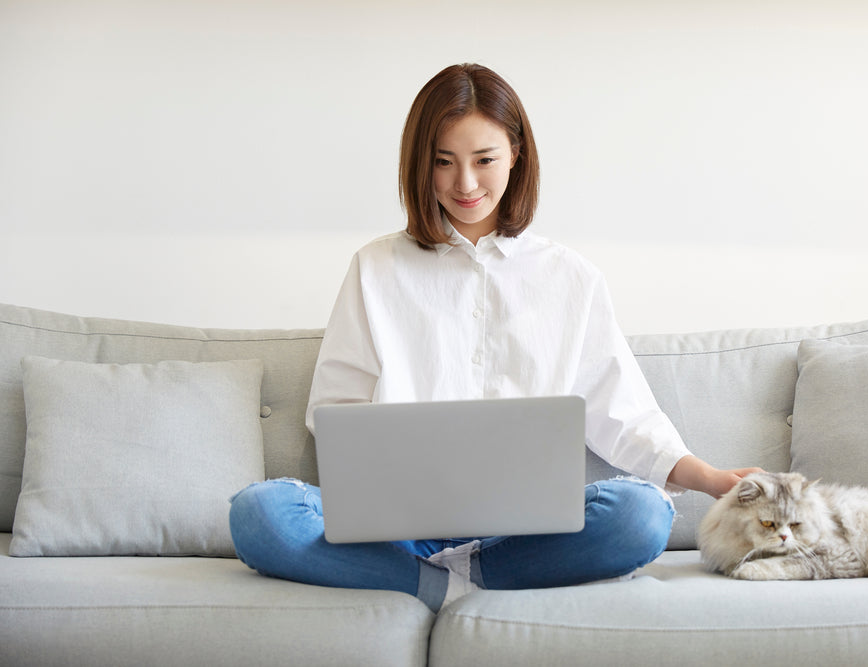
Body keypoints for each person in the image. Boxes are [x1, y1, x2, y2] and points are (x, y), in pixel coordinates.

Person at [229, 63, 761, 612]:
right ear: (420, 164)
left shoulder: (570, 278)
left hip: (524, 536)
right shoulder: (375, 268)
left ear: (516, 155)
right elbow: (333, 411)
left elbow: (621, 413)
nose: (464, 184)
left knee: (643, 516)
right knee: (258, 514)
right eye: (443, 162)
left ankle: (446, 579)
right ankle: (439, 580)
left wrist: (709, 477)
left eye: (484, 160)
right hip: (398, 532)